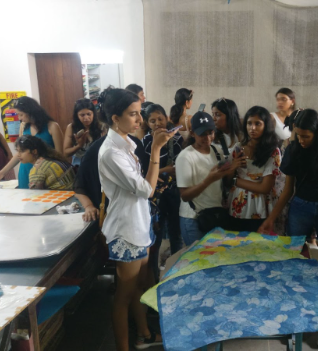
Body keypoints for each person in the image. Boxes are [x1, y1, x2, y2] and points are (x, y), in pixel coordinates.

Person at [96, 86, 176, 351]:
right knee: (124, 294)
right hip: (126, 230)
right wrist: (155, 151)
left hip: (139, 224)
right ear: (115, 118)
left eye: (139, 113)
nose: (139, 119)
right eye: (133, 114)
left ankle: (143, 333)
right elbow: (146, 189)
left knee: (139, 285)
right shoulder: (111, 153)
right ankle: (124, 347)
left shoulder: (127, 143)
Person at [258, 109, 318, 248]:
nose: (301, 140)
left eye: (306, 136)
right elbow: (288, 189)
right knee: (295, 250)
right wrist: (271, 218)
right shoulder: (293, 150)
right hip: (301, 206)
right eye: (298, 135)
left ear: (317, 133)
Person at [175, 111, 245, 245]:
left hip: (215, 215)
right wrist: (209, 180)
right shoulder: (185, 157)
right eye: (202, 134)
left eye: (210, 133)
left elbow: (225, 182)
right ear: (192, 133)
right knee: (197, 262)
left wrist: (232, 169)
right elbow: (185, 196)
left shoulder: (217, 151)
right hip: (194, 219)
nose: (207, 138)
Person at [227, 106, 281, 232]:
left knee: (257, 247)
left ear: (266, 126)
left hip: (259, 206)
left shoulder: (273, 151)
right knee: (236, 245)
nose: (252, 128)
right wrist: (232, 169)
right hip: (237, 204)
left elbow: (264, 188)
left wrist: (236, 181)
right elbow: (227, 181)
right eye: (249, 123)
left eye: (258, 124)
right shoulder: (238, 147)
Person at [0, 96, 63, 188]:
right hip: (25, 170)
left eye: (21, 114)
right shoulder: (23, 126)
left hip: (47, 172)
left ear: (31, 111)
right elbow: (19, 153)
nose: (19, 118)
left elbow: (60, 155)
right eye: (18, 115)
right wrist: (2, 172)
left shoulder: (52, 126)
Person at [142, 104, 184, 254]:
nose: (157, 123)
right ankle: (154, 270)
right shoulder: (145, 142)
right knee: (156, 233)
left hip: (174, 192)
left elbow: (181, 166)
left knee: (175, 232)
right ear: (147, 123)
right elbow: (143, 172)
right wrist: (163, 170)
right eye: (152, 121)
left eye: (160, 119)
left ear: (167, 119)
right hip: (154, 196)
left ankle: (176, 263)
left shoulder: (177, 139)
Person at [63, 98, 106, 167]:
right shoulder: (71, 127)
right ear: (77, 116)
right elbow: (66, 153)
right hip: (79, 164)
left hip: (98, 163)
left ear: (93, 114)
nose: (86, 118)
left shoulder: (101, 127)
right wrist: (79, 145)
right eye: (82, 115)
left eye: (89, 114)